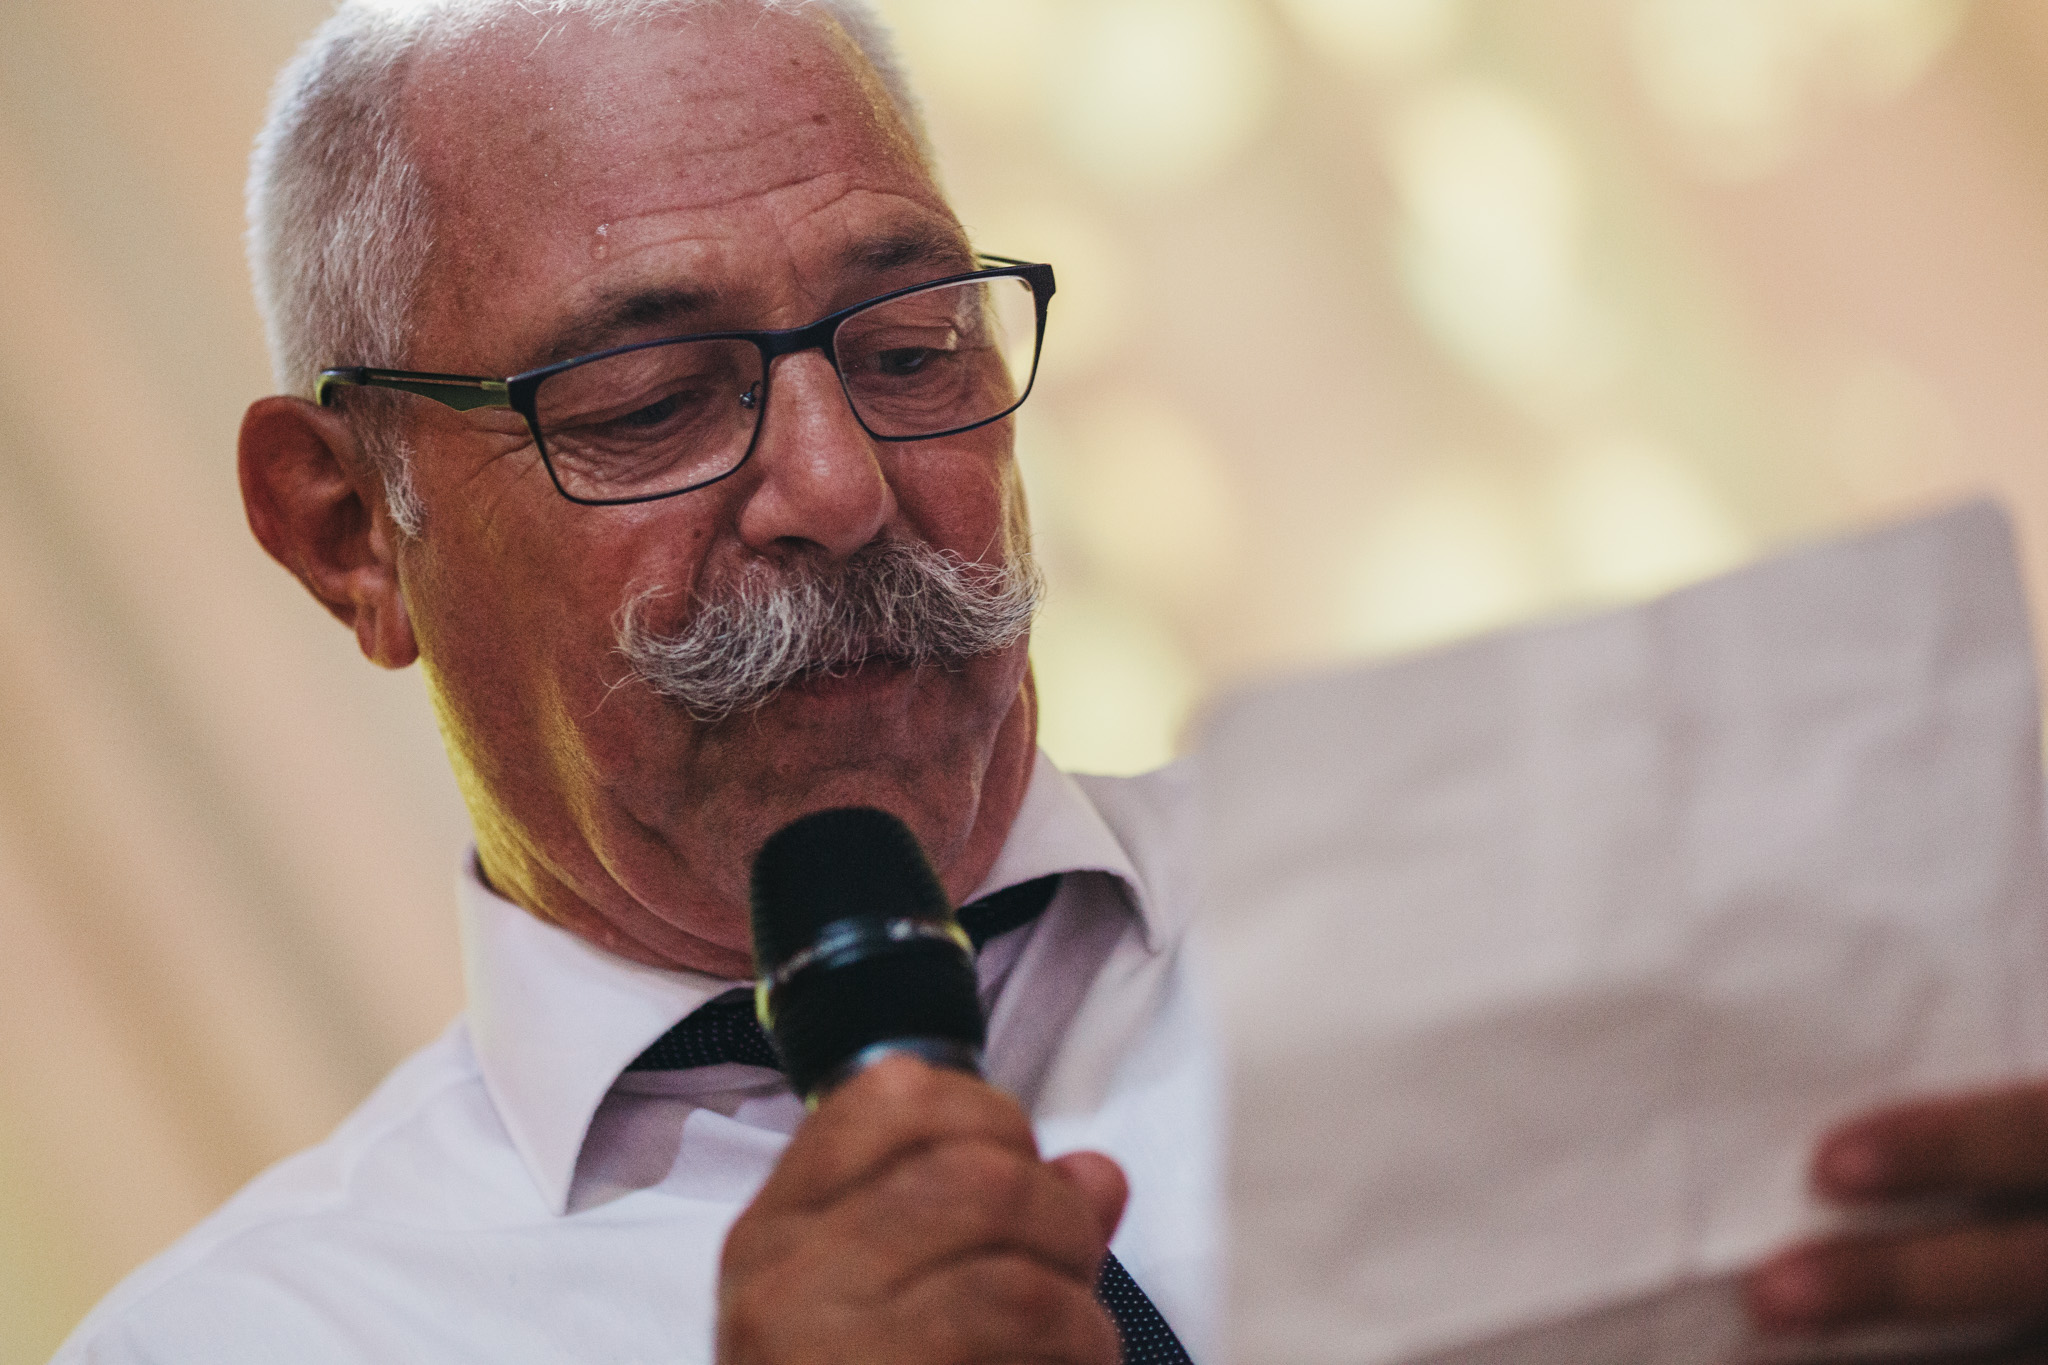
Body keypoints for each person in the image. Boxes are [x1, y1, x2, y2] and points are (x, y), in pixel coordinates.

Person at [48, 0, 2048, 1360]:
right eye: (651, 397)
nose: (838, 485)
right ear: (342, 529)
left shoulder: (1645, 928)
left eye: (912, 346)